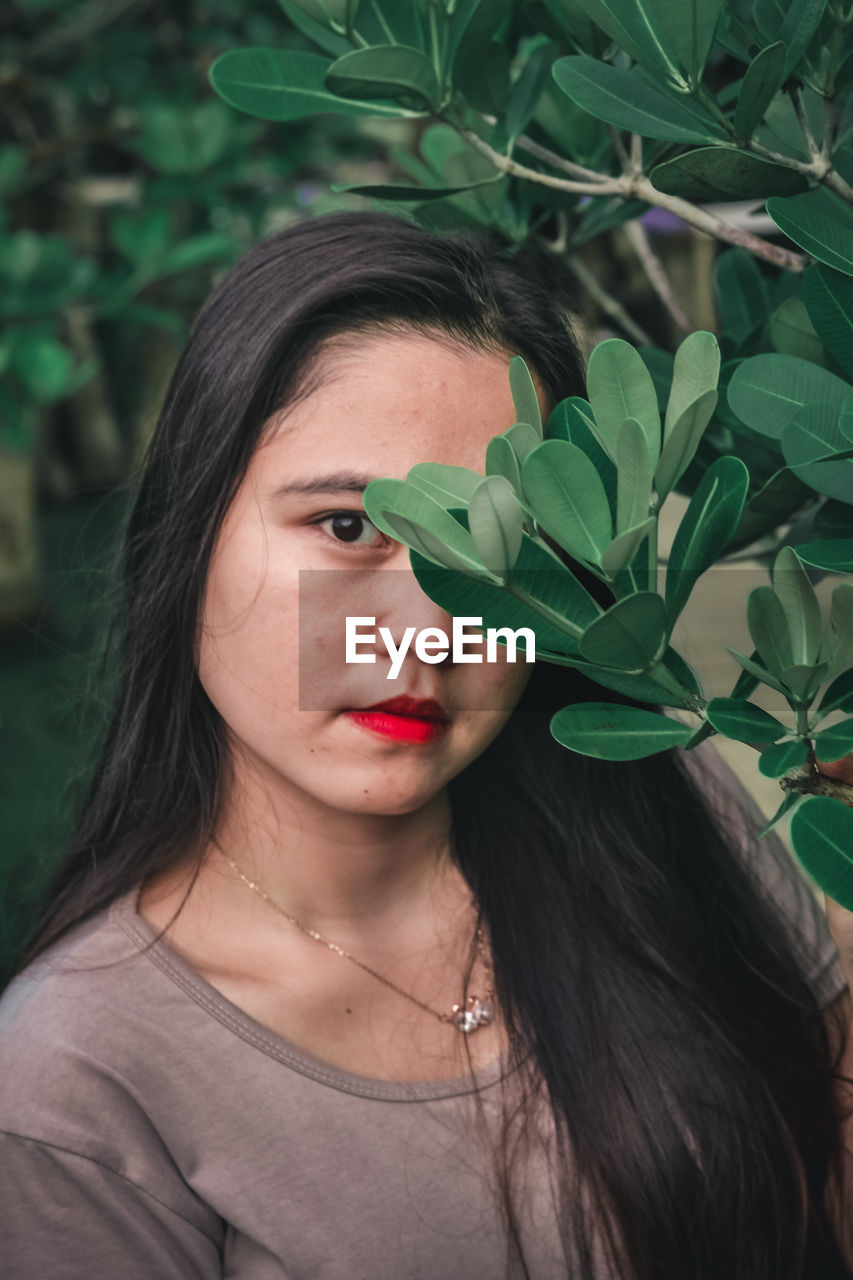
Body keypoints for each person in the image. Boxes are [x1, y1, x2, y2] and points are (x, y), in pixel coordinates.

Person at [1, 210, 852, 1280]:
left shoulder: (649, 795)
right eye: (349, 527)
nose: (424, 631)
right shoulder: (72, 1085)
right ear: (191, 531)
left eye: (494, 551)